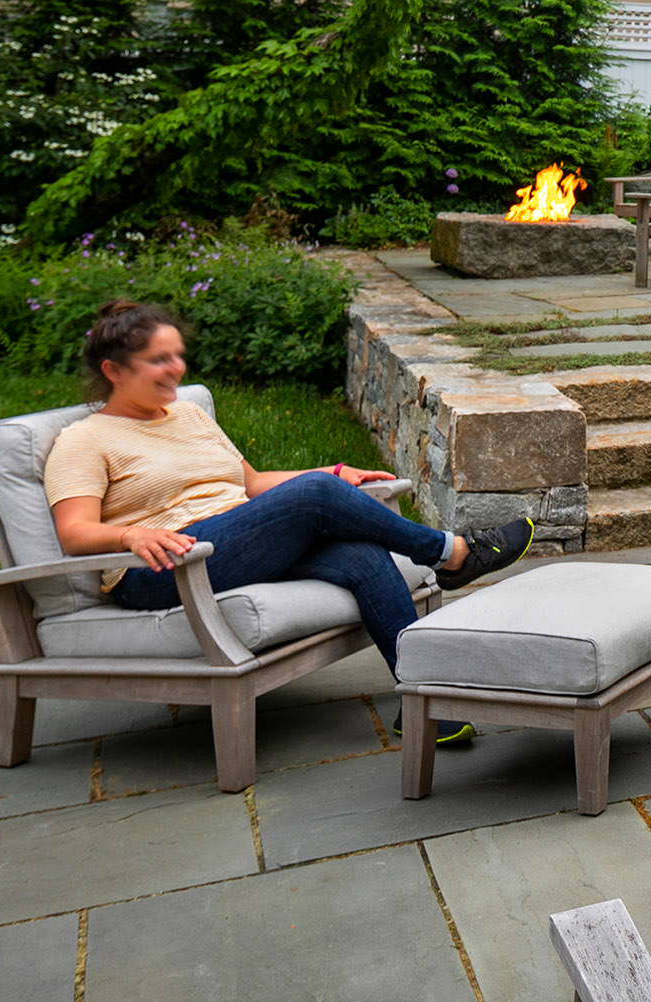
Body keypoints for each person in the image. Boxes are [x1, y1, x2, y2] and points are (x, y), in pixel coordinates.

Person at [42, 300, 531, 747]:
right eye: (158, 359)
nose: (177, 369)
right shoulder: (85, 440)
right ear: (112, 370)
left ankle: (422, 702)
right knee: (316, 499)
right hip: (163, 568)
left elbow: (252, 484)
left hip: (232, 540)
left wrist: (335, 474)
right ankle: (451, 554)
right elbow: (74, 531)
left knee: (361, 556)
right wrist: (130, 533)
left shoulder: (186, 415)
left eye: (176, 355)